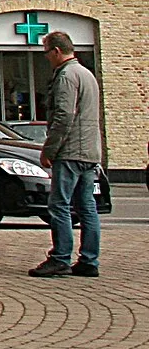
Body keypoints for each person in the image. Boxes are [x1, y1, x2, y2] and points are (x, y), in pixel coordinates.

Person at [29, 30, 102, 278]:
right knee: (86, 206)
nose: (46, 58)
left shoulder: (66, 76)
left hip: (70, 151)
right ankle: (89, 260)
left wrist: (49, 149)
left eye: (46, 52)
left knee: (59, 204)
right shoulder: (87, 74)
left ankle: (60, 257)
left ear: (57, 51)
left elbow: (64, 115)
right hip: (90, 151)